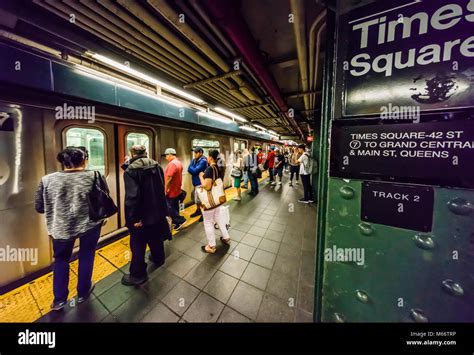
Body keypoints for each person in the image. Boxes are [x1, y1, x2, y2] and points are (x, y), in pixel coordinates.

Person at [35, 147, 107, 310]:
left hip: (60, 229)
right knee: (86, 256)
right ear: (84, 160)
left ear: (63, 162)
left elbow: (39, 207)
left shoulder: (47, 179)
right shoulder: (94, 176)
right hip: (90, 226)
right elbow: (103, 201)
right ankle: (83, 291)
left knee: (61, 260)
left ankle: (59, 300)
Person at [122, 145, 171, 286]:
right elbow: (161, 189)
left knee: (137, 244)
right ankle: (158, 258)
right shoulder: (156, 165)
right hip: (158, 212)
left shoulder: (130, 171)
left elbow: (132, 197)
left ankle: (138, 275)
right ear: (146, 153)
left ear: (132, 155)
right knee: (156, 238)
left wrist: (135, 218)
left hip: (142, 216)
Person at [199, 149, 231, 254]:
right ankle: (226, 237)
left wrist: (201, 177)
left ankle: (211, 246)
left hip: (210, 202)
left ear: (211, 157)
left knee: (208, 221)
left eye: (208, 156)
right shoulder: (219, 167)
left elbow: (207, 186)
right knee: (218, 218)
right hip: (218, 200)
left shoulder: (210, 169)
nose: (207, 158)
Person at [163, 147, 186, 230]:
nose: (166, 157)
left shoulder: (172, 164)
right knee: (175, 206)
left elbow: (169, 178)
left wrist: (165, 189)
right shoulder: (178, 163)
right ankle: (176, 223)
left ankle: (180, 220)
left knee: (169, 207)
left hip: (171, 190)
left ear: (170, 155)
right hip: (177, 190)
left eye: (166, 155)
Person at [187, 147, 208, 222]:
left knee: (201, 200)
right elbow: (189, 169)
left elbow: (193, 171)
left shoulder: (203, 161)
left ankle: (204, 214)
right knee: (197, 200)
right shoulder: (194, 160)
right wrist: (191, 167)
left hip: (200, 183)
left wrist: (191, 167)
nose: (194, 154)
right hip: (195, 183)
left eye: (196, 153)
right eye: (194, 152)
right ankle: (198, 210)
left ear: (200, 153)